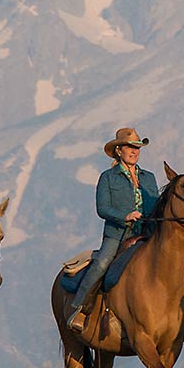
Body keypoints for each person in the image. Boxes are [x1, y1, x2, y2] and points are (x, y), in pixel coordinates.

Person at [65, 127, 159, 332]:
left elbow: (156, 205)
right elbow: (103, 208)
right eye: (130, 147)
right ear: (118, 150)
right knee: (102, 263)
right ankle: (80, 309)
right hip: (118, 234)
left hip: (147, 233)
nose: (135, 151)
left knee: (180, 268)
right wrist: (124, 216)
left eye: (138, 148)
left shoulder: (149, 178)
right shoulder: (108, 177)